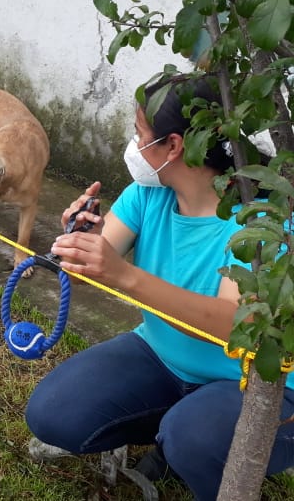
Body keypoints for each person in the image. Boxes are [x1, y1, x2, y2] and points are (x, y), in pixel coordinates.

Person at [25, 73, 294, 500]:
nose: (134, 147)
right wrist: (79, 239)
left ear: (173, 146)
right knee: (52, 413)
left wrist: (125, 275)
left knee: (194, 437)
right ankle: (178, 433)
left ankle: (201, 451)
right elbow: (96, 258)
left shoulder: (262, 225)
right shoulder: (149, 194)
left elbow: (232, 326)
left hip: (253, 383)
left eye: (140, 135)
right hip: (161, 357)